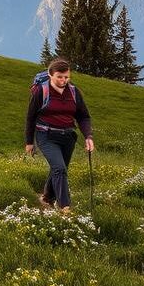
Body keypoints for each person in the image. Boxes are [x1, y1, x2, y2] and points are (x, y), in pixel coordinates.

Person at [25, 57, 94, 212]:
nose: (63, 80)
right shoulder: (40, 91)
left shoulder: (74, 92)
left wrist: (88, 136)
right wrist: (29, 142)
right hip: (46, 135)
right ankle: (65, 207)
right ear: (50, 74)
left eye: (66, 77)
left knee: (59, 168)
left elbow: (83, 116)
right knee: (60, 169)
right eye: (59, 77)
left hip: (68, 137)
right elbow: (31, 117)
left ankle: (47, 197)